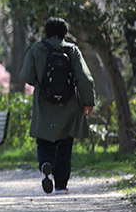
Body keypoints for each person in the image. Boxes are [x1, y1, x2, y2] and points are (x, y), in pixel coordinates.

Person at [20, 17, 96, 195]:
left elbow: (27, 76)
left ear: (46, 32)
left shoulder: (36, 49)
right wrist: (89, 102)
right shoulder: (72, 50)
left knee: (44, 142)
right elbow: (84, 78)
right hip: (69, 104)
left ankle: (45, 166)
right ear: (65, 33)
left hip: (44, 103)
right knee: (65, 143)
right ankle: (61, 185)